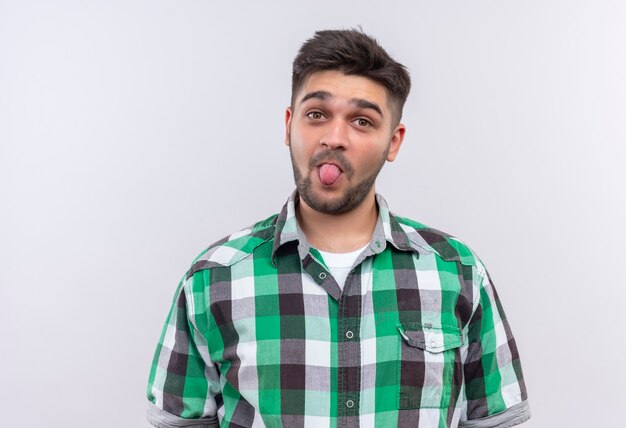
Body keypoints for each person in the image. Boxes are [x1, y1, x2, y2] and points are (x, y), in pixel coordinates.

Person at [146, 29, 530, 428]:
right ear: (289, 125)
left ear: (393, 142)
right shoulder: (213, 278)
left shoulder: (458, 271)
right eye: (317, 115)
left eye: (362, 121)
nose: (334, 138)